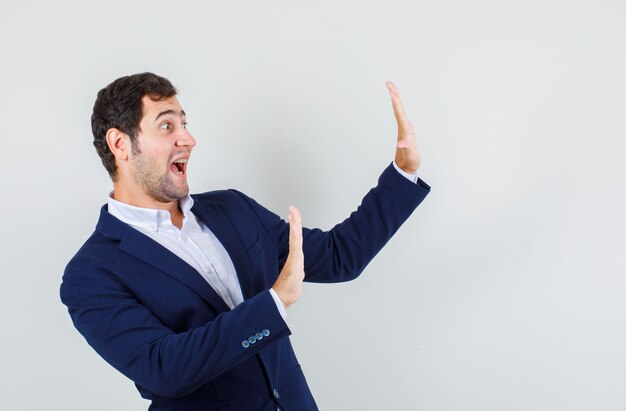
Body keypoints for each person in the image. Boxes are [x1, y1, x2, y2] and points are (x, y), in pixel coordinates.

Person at [60, 72, 430, 411]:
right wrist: (274, 302)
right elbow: (164, 369)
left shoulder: (232, 209)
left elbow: (339, 257)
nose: (187, 138)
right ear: (120, 145)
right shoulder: (90, 275)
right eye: (167, 125)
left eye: (185, 123)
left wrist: (403, 172)